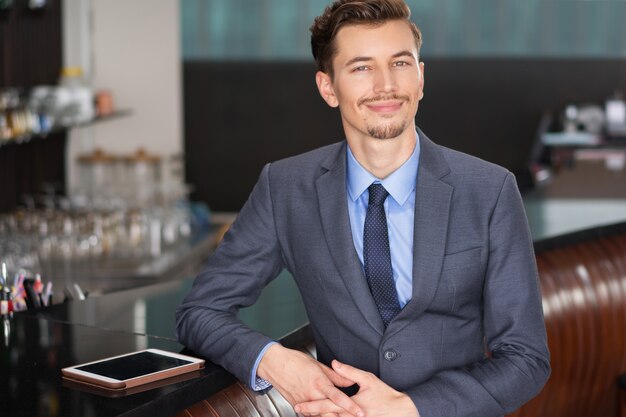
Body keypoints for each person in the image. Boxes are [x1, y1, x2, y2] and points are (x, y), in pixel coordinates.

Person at [176, 0, 551, 416]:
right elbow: (200, 311)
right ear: (328, 88)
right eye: (361, 67)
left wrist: (411, 407)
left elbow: (526, 359)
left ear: (421, 77)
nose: (385, 84)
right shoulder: (285, 188)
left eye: (401, 63)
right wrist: (275, 361)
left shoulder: (490, 190)